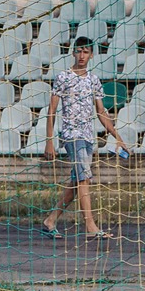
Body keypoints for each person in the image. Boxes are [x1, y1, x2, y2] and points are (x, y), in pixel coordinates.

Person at [41, 36, 127, 240]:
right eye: (79, 51)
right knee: (84, 179)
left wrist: (118, 137)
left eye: (86, 52)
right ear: (73, 53)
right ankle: (90, 225)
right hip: (72, 135)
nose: (82, 55)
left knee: (79, 178)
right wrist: (49, 140)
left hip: (88, 136)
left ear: (91, 55)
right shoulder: (63, 77)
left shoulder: (93, 80)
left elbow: (101, 112)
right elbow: (52, 110)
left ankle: (51, 219)